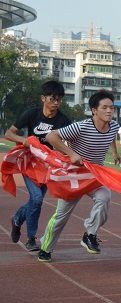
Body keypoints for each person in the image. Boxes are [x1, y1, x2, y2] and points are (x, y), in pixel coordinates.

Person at [37, 89, 121, 263]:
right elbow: (52, 136)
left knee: (105, 197)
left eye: (111, 108)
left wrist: (114, 152)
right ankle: (45, 248)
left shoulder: (114, 125)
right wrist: (71, 153)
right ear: (94, 110)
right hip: (73, 176)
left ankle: (90, 234)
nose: (109, 111)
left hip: (94, 176)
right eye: (104, 108)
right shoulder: (81, 126)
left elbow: (111, 135)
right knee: (61, 217)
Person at [6, 80, 72, 252]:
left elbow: (72, 141)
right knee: (36, 199)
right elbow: (9, 133)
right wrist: (25, 141)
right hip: (30, 163)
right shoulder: (31, 114)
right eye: (53, 98)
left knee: (36, 200)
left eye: (59, 99)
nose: (56, 102)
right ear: (43, 98)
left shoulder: (64, 120)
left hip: (48, 166)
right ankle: (31, 238)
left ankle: (17, 220)